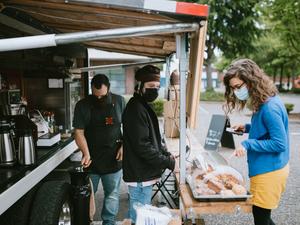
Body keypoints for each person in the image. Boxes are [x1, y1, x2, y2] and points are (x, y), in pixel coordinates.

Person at [223, 59, 289, 225]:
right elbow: (266, 128)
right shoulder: (267, 100)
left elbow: (280, 143)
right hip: (269, 167)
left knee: (261, 219)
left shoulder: (269, 107)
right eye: (233, 88)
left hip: (269, 171)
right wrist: (246, 128)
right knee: (263, 218)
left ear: (251, 81)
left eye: (238, 87)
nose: (236, 91)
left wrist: (247, 144)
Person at [122, 65, 176, 223]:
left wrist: (166, 154)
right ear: (139, 87)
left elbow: (151, 140)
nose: (155, 90)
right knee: (139, 219)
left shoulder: (142, 105)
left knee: (140, 217)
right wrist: (168, 162)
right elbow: (143, 146)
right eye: (151, 86)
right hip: (140, 175)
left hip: (143, 174)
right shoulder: (135, 109)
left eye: (157, 87)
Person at [73, 74, 125, 225]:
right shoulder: (82, 105)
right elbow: (78, 132)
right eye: (96, 96)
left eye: (102, 96)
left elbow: (129, 127)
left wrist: (124, 146)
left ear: (108, 89)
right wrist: (85, 152)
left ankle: (109, 222)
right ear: (91, 89)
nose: (99, 99)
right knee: (87, 196)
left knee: (112, 195)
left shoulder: (119, 101)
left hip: (114, 157)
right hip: (91, 159)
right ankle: (86, 221)